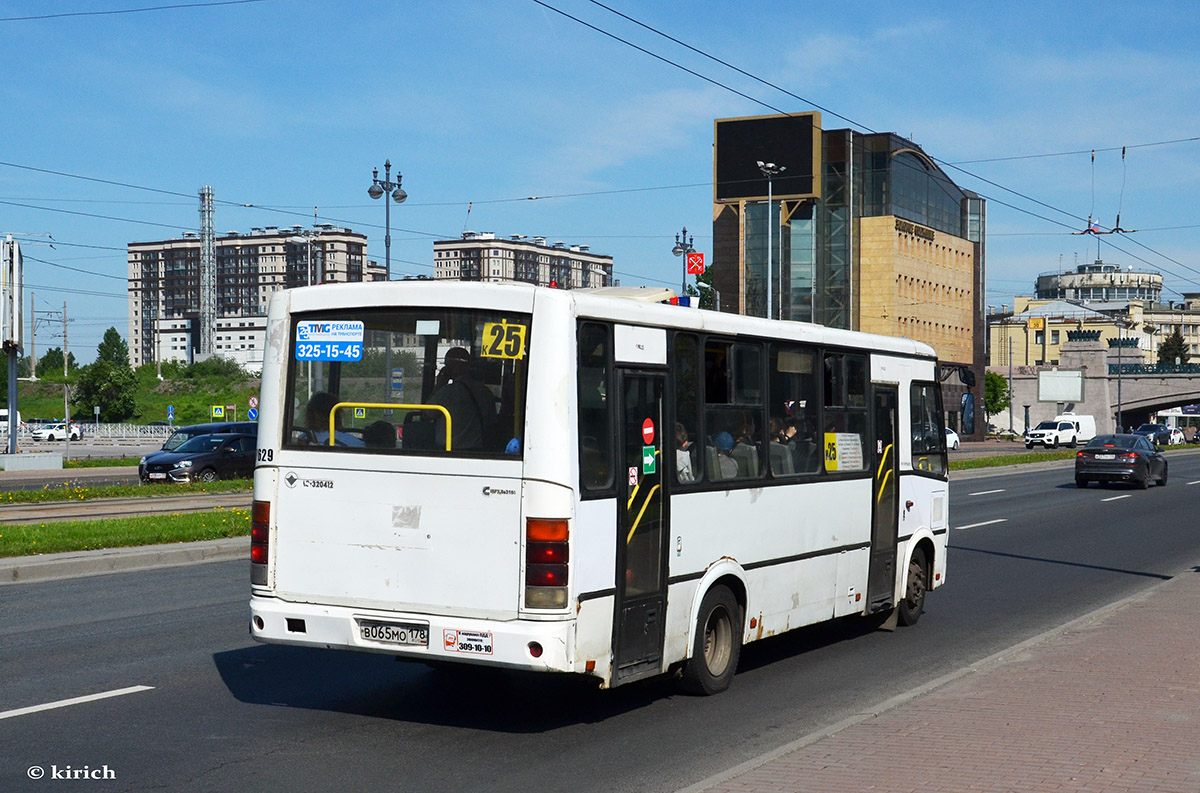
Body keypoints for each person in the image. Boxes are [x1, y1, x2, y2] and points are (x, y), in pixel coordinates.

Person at [427, 347, 497, 451]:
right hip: (478, 451)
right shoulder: (485, 392)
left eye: (447, 366)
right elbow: (491, 422)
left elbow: (427, 414)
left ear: (450, 369)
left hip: (449, 451)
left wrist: (439, 384)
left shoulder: (448, 392)